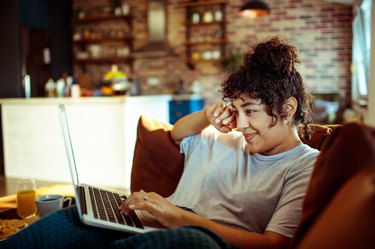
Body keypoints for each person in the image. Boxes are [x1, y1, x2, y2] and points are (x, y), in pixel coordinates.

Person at [1, 37, 319, 249]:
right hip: (152, 225)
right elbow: (176, 134)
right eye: (237, 111)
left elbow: (275, 244)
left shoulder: (305, 164)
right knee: (77, 217)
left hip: (202, 241)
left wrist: (177, 217)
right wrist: (209, 115)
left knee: (190, 242)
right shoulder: (227, 139)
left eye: (250, 111)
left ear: (287, 109)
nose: (243, 124)